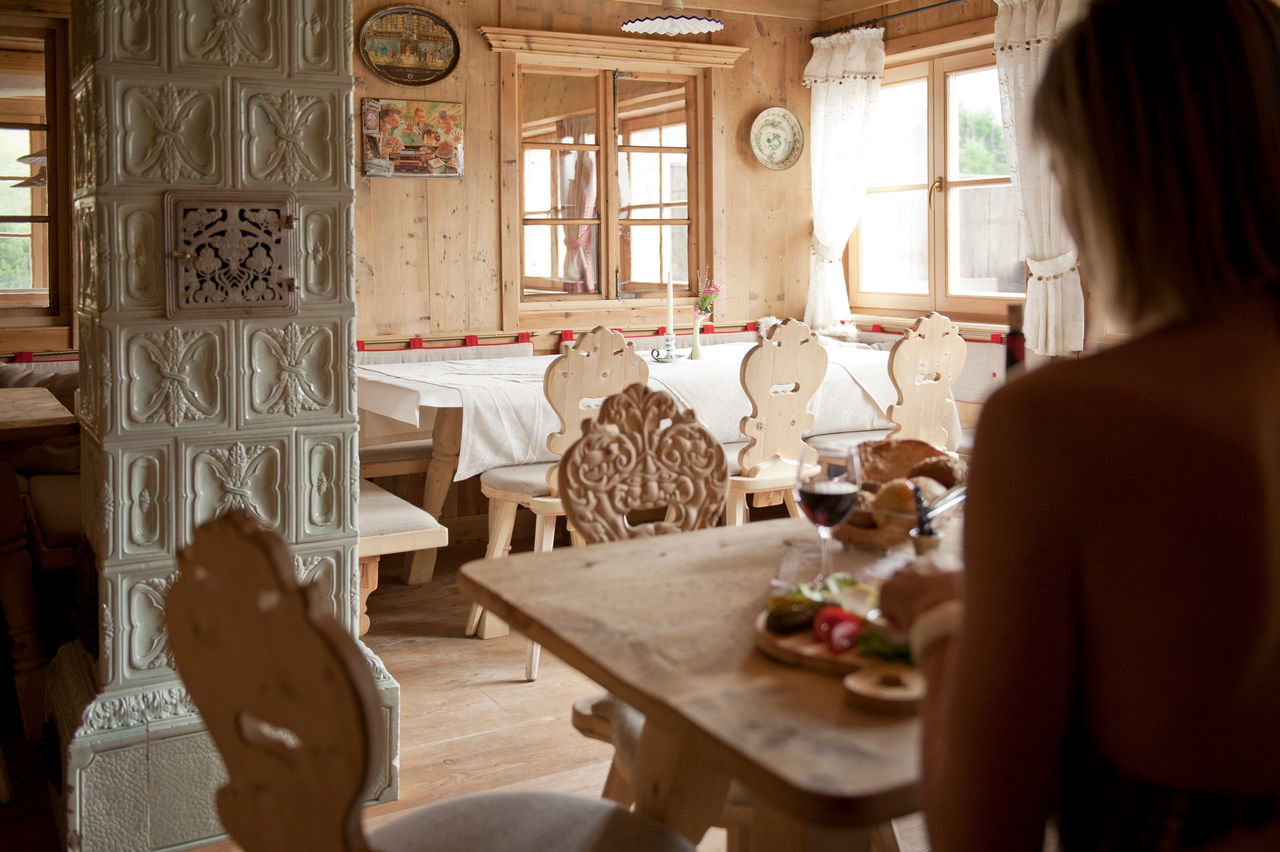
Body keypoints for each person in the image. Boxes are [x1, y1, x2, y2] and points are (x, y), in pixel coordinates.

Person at [879, 1, 1280, 849]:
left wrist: (947, 628)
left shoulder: (1059, 424)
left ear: (1104, 174)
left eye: (1059, 167)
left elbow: (980, 834)